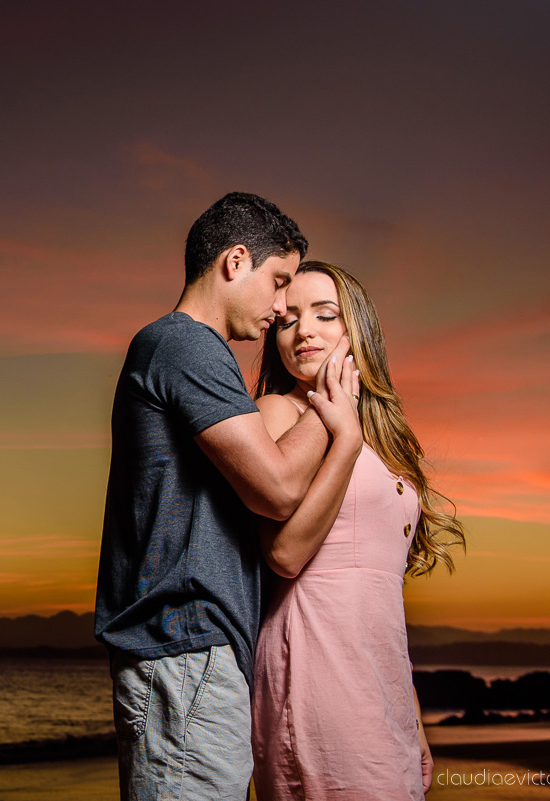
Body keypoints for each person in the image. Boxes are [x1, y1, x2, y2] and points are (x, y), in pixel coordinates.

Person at [95, 194, 362, 801]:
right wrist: (333, 402)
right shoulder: (184, 343)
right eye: (279, 283)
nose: (280, 307)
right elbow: (277, 489)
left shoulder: (185, 349)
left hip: (191, 652)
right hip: (186, 647)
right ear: (235, 261)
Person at [251, 261, 465, 800]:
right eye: (287, 319)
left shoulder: (387, 435)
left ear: (358, 329)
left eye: (326, 314)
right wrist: (339, 430)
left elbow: (382, 598)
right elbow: (283, 552)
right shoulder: (276, 412)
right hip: (316, 662)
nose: (304, 331)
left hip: (381, 675)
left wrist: (411, 713)